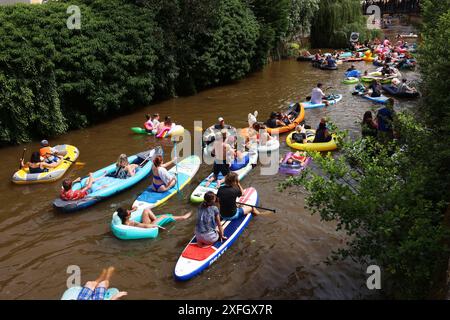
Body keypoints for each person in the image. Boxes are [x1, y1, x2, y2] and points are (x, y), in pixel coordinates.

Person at [117, 206, 191, 229]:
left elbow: (127, 212)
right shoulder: (132, 223)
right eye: (129, 212)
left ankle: (155, 219)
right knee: (163, 216)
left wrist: (133, 209)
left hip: (143, 224)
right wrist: (157, 225)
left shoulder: (123, 220)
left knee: (146, 210)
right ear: (126, 217)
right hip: (147, 227)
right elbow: (146, 226)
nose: (130, 212)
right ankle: (183, 217)